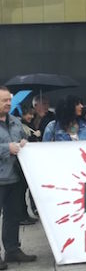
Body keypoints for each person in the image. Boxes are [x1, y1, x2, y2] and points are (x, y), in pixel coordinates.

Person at [0, 86, 37, 267]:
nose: (9, 103)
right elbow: (8, 146)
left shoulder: (15, 121)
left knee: (13, 216)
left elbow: (23, 139)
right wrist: (6, 148)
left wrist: (24, 143)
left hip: (15, 177)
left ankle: (12, 250)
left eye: (9, 99)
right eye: (4, 100)